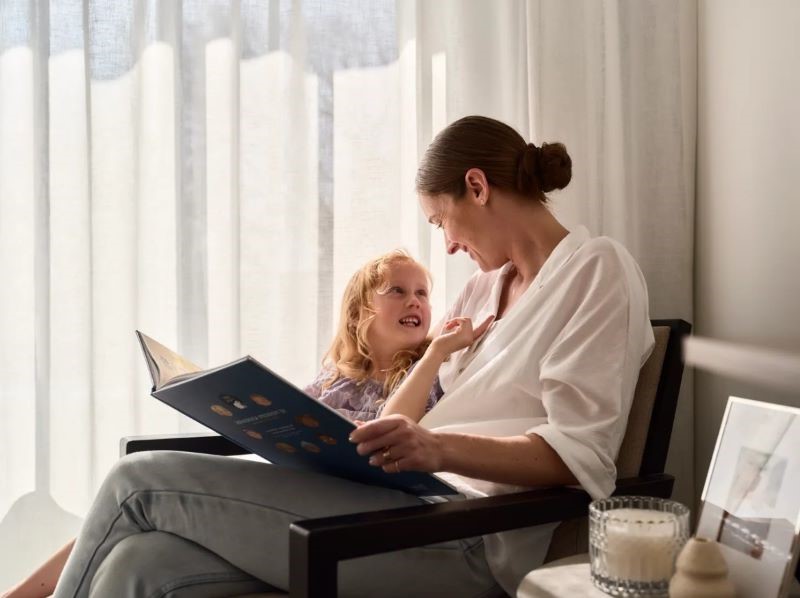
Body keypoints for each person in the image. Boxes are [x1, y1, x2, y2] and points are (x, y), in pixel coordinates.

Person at [19, 114, 653, 598]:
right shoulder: (484, 290)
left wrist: (437, 447)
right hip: (407, 504)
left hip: (460, 538)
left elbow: (580, 456)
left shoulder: (596, 271)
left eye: (441, 223)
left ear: (477, 187)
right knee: (142, 563)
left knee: (137, 480)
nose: (450, 247)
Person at [2, 249, 486, 598]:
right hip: (297, 502)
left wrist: (439, 350)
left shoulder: (431, 375)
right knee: (136, 559)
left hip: (362, 518)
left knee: (134, 481)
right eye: (397, 291)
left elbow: (392, 427)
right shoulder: (333, 382)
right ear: (362, 311)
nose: (416, 301)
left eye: (423, 292)